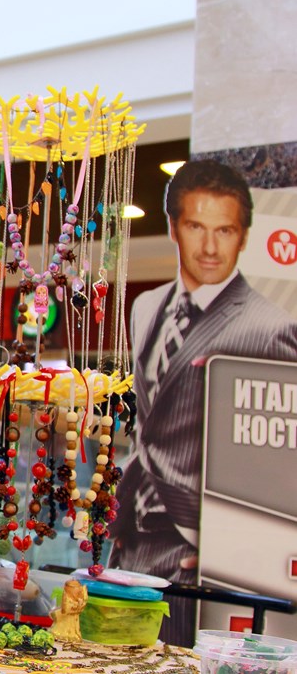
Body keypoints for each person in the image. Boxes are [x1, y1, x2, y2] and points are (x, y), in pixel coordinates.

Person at [111, 159, 297, 646]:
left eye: (225, 230)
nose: (211, 247)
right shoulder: (146, 307)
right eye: (196, 227)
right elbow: (151, 429)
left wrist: (237, 548)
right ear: (173, 228)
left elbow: (280, 453)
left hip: (197, 562)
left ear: (244, 236)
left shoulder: (271, 328)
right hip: (130, 548)